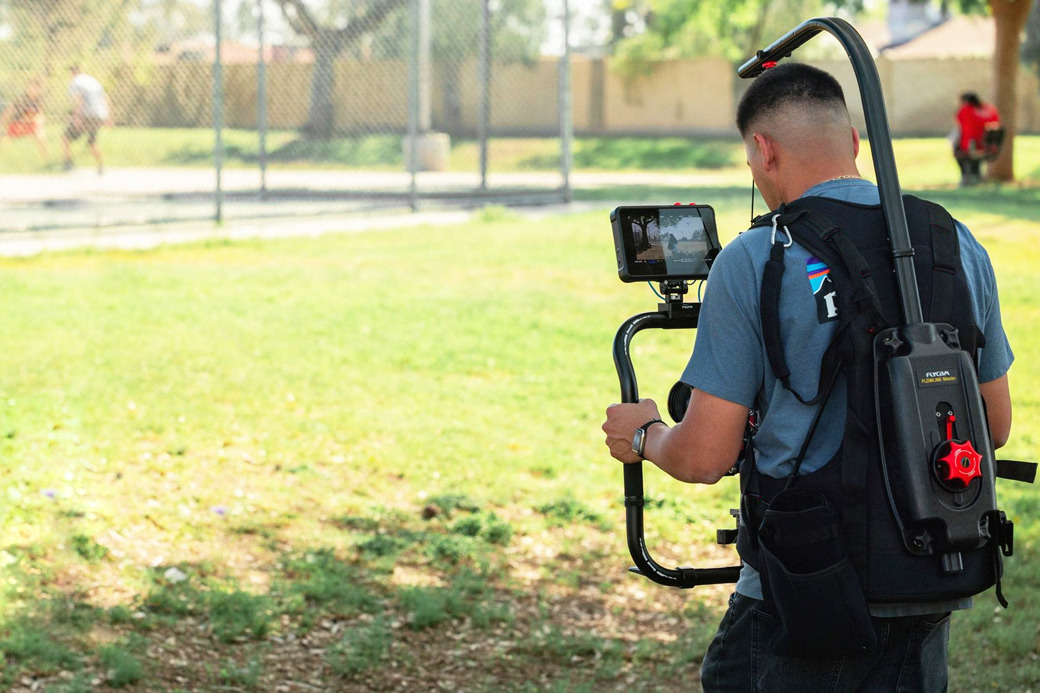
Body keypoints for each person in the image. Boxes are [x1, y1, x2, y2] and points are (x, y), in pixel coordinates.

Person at [602, 63, 1014, 691]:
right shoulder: (953, 241)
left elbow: (706, 454)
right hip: (936, 567)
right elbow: (996, 426)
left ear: (763, 152)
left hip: (807, 587)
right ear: (852, 142)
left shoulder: (754, 256)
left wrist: (644, 434)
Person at [61, 66, 109, 174]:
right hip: (99, 114)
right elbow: (105, 97)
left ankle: (67, 163)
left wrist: (77, 117)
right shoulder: (93, 81)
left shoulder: (75, 82)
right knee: (92, 142)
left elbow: (78, 99)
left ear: (72, 73)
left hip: (85, 115)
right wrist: (108, 116)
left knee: (65, 137)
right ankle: (101, 166)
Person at [952, 92, 1001, 186]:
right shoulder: (990, 109)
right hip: (988, 147)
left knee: (956, 146)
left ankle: (965, 176)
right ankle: (975, 176)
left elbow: (959, 125)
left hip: (970, 145)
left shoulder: (965, 110)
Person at [0, 77, 49, 160]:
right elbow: (10, 110)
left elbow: (40, 114)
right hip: (19, 124)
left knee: (40, 135)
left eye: (36, 88)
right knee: (4, 138)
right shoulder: (23, 99)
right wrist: (4, 122)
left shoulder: (39, 100)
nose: (32, 90)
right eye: (31, 87)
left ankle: (46, 159)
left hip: (32, 124)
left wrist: (40, 123)